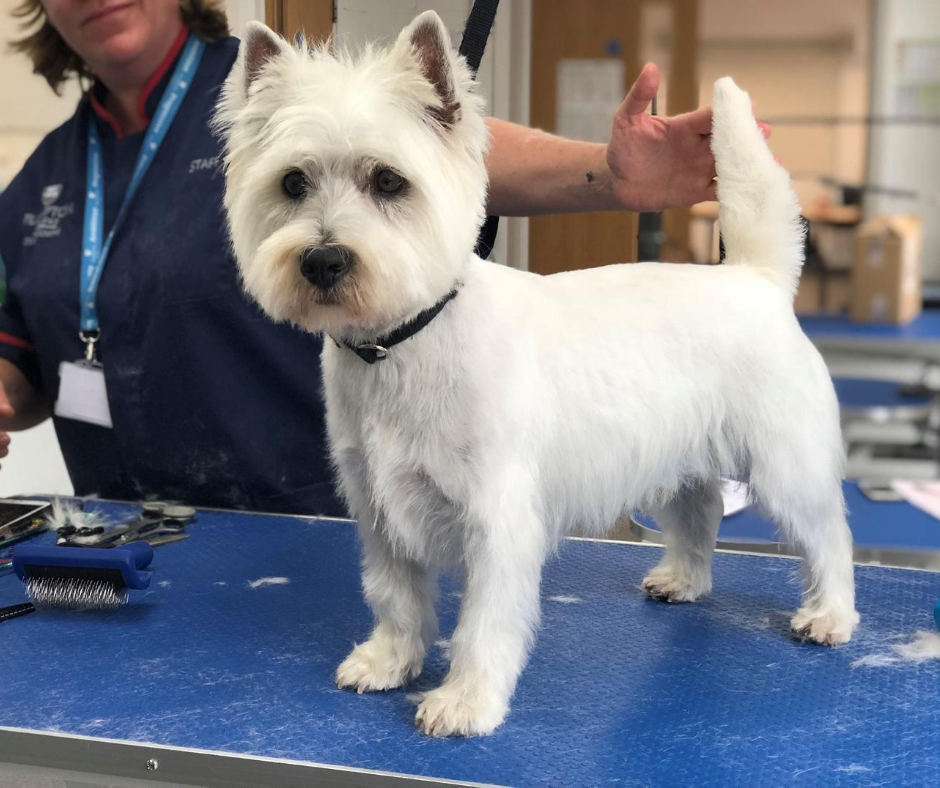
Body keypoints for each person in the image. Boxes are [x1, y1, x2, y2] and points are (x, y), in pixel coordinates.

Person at [0, 0, 760, 516]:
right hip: (129, 542)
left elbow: (425, 153)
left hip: (319, 524)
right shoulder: (44, 176)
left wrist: (603, 173)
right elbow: (24, 370)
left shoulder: (280, 85)